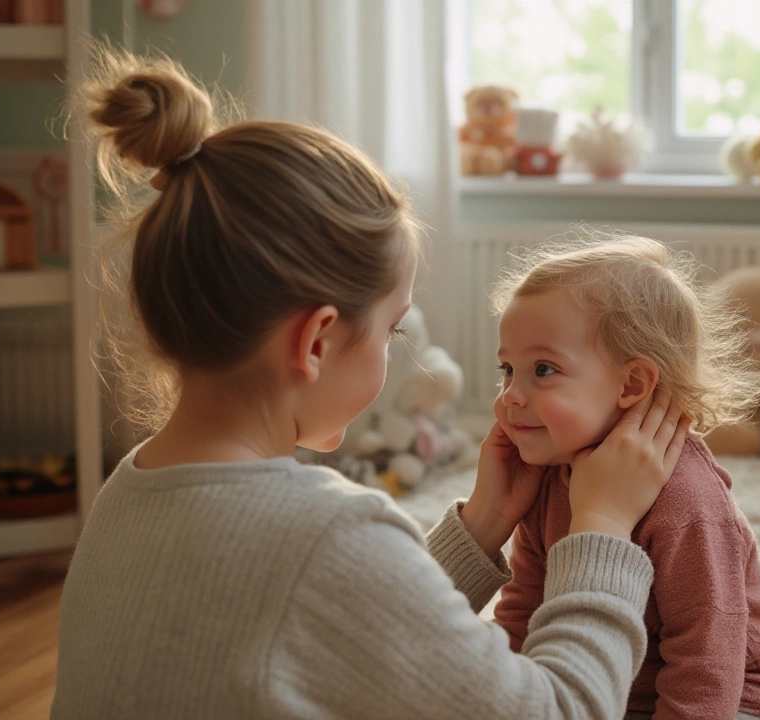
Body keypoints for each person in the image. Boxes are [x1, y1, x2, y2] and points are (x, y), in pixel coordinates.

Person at [50, 48, 691, 720]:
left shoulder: (126, 490)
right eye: (393, 331)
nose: (392, 351)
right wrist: (603, 526)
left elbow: (339, 630)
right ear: (317, 341)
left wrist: (483, 527)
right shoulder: (327, 531)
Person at [489, 234, 760, 720]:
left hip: (730, 691)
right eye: (507, 369)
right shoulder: (543, 476)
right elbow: (524, 608)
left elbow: (708, 651)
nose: (511, 396)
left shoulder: (685, 499)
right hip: (613, 690)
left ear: (632, 385)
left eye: (542, 369)